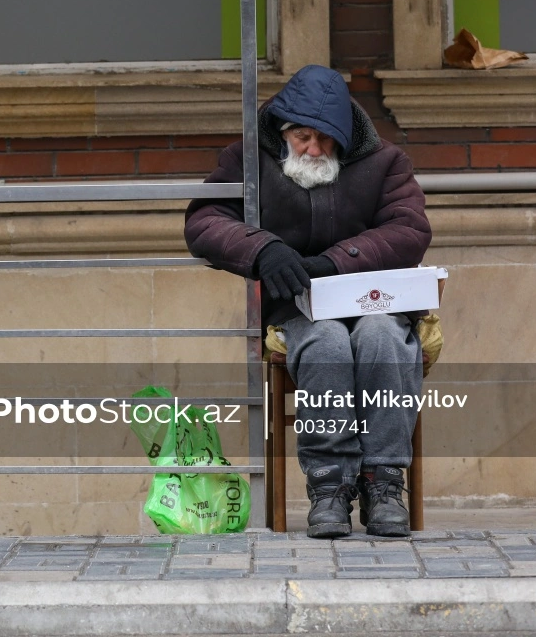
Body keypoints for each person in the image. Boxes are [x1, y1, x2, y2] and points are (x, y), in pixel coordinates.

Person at [184, 64, 431, 538]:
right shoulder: (247, 157)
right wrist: (263, 248)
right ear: (282, 132)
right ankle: (330, 486)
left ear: (345, 136)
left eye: (326, 140)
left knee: (383, 338)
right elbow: (204, 222)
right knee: (326, 343)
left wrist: (337, 262)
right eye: (302, 137)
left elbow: (409, 229)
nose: (314, 150)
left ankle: (383, 481)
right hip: (295, 307)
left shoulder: (385, 162)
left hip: (374, 301)